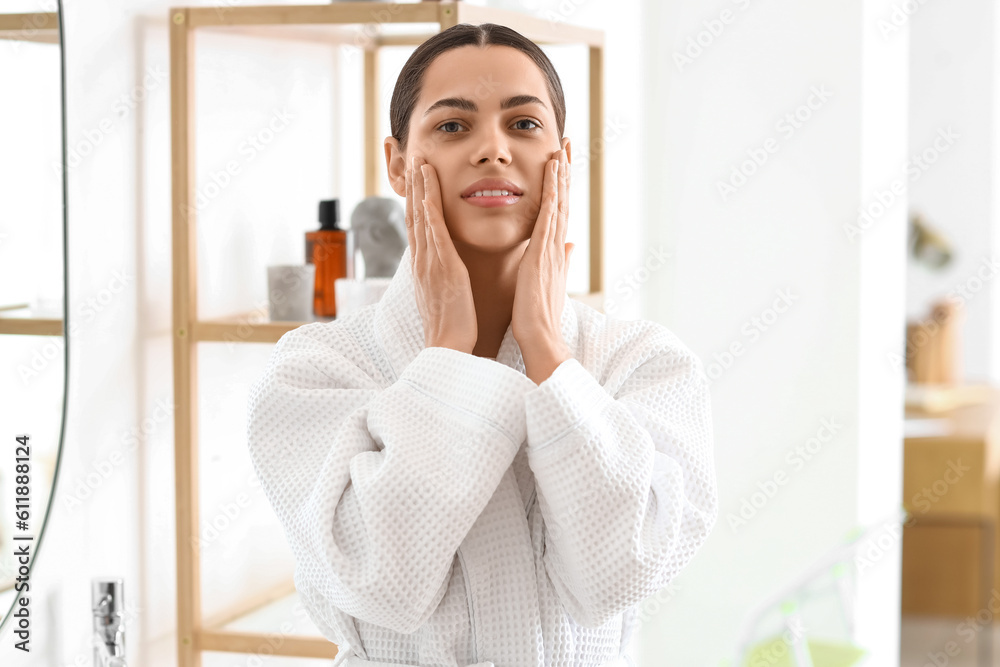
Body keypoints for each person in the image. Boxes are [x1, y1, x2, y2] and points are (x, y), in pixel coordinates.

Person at [247, 22, 718, 667]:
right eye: (452, 126)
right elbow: (378, 582)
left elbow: (620, 575)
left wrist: (549, 349)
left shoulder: (642, 365)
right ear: (396, 163)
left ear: (564, 158)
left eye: (523, 124)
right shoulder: (318, 372)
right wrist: (448, 355)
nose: (492, 149)